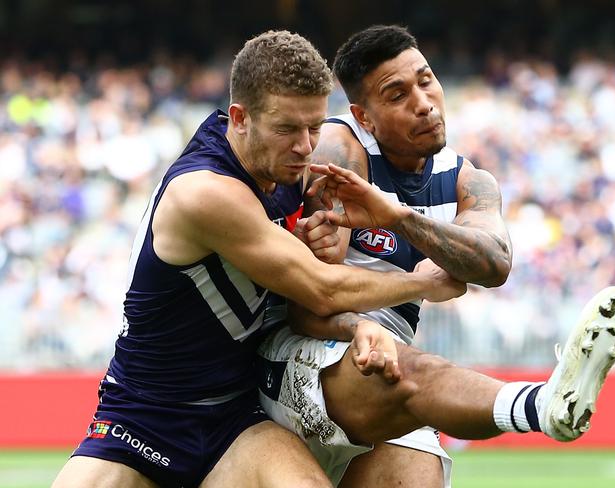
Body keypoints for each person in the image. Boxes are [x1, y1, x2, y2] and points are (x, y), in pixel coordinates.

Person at [52, 30, 466, 488]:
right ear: (239, 118)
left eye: (313, 127)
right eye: (288, 129)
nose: (306, 147)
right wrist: (426, 280)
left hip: (236, 418)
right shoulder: (204, 192)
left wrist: (333, 257)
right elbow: (323, 288)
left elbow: (315, 284)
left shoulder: (282, 162)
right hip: (143, 418)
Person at [257, 25, 615, 488]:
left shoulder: (466, 179)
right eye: (397, 95)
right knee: (415, 370)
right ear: (365, 117)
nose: (423, 102)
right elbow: (309, 305)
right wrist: (362, 313)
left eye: (426, 80)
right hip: (299, 355)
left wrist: (398, 218)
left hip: (384, 362)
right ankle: (543, 404)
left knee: (418, 473)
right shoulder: (342, 149)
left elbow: (494, 263)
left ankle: (543, 403)